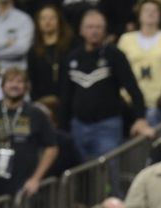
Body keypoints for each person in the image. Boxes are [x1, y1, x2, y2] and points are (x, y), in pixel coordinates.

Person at [59, 10, 153, 161]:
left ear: (105, 31)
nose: (94, 31)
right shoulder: (72, 58)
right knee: (78, 174)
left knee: (108, 173)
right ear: (81, 30)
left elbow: (133, 89)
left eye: (98, 27)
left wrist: (140, 118)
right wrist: (63, 129)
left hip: (107, 126)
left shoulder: (115, 56)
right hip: (78, 126)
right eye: (90, 27)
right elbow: (65, 97)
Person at [0, 68, 58, 201]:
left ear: (26, 87)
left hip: (23, 188)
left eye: (19, 82)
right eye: (10, 81)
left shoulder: (36, 114)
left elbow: (52, 147)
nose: (14, 85)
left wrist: (36, 179)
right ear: (2, 86)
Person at [118, 0, 161, 126]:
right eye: (146, 10)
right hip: (131, 104)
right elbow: (118, 72)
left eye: (154, 11)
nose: (151, 13)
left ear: (160, 15)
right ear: (139, 15)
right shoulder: (126, 39)